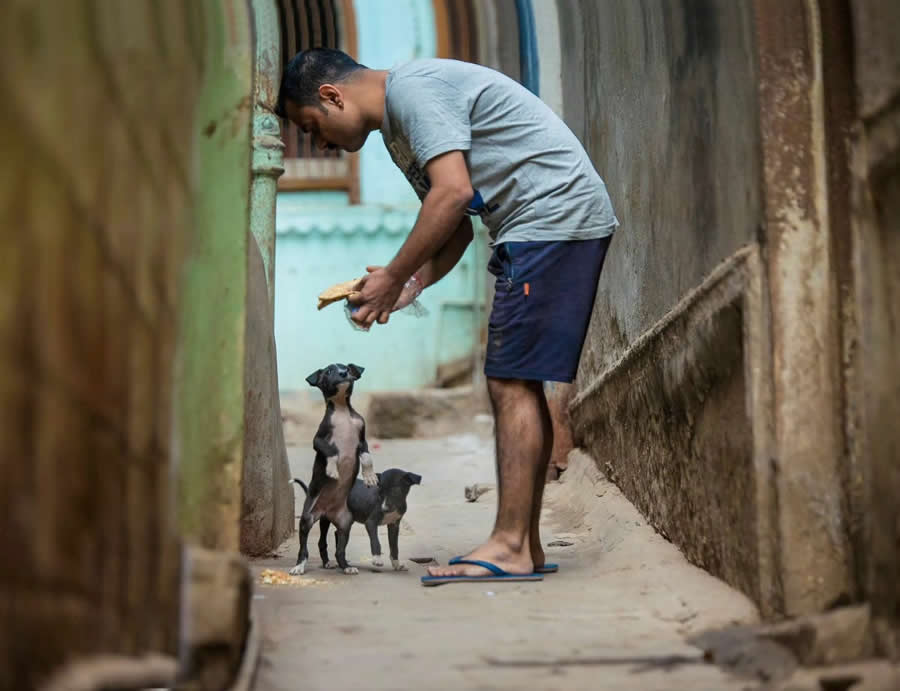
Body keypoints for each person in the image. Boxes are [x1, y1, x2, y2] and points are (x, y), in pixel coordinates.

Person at [276, 48, 618, 584]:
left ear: (331, 96)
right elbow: (455, 222)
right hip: (540, 225)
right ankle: (521, 544)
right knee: (514, 380)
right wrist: (407, 285)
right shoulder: (397, 131)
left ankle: (509, 545)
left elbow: (453, 193)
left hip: (551, 218)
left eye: (311, 128)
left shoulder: (414, 91)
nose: (319, 143)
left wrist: (392, 274)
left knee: (509, 381)